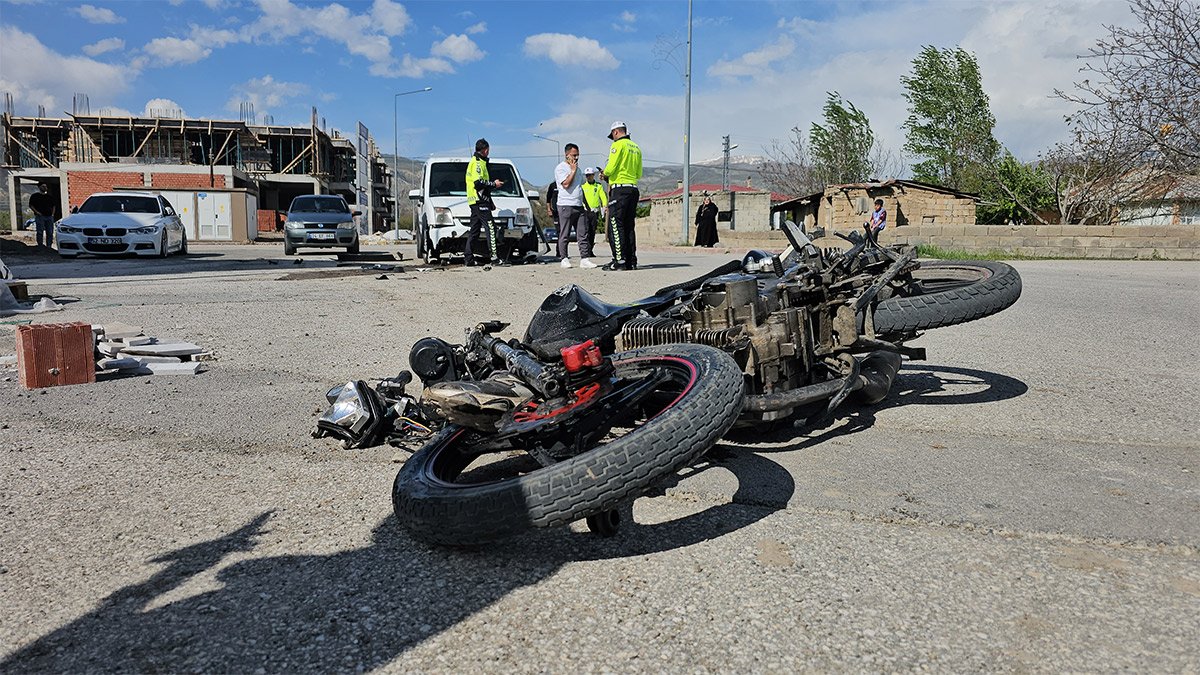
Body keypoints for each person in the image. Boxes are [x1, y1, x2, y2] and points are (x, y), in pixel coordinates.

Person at [598, 121, 643, 271]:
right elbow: (639, 173)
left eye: (613, 136)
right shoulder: (636, 147)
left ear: (616, 132)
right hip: (633, 189)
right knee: (629, 226)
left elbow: (610, 168)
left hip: (619, 189)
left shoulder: (618, 145)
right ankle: (631, 261)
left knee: (616, 225)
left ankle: (619, 260)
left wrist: (604, 174)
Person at [464, 139, 506, 266]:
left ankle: (468, 259)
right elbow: (478, 184)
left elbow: (483, 188)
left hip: (477, 201)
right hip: (479, 201)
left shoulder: (478, 162)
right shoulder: (477, 163)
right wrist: (495, 184)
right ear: (485, 149)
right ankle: (494, 258)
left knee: (474, 230)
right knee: (491, 227)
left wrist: (490, 201)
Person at [554, 143, 595, 269]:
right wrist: (572, 170)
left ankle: (585, 259)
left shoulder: (579, 169)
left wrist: (586, 205)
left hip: (578, 205)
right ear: (567, 155)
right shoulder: (560, 168)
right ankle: (564, 259)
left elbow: (579, 188)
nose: (576, 158)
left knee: (583, 234)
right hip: (565, 205)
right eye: (573, 155)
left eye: (578, 155)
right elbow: (566, 184)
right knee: (564, 234)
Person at [581, 167, 607, 259]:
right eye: (587, 175)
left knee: (592, 231)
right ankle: (586, 250)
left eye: (590, 175)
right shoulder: (583, 187)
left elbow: (603, 197)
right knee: (586, 231)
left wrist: (604, 205)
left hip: (594, 212)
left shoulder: (598, 186)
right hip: (585, 211)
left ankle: (590, 250)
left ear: (593, 175)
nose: (589, 177)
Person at [29, 183, 57, 249]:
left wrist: (52, 214)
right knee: (40, 231)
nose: (45, 188)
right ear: (39, 187)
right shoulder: (35, 196)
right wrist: (37, 212)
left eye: (45, 186)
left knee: (50, 232)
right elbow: (31, 205)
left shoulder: (49, 197)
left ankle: (49, 246)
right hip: (40, 216)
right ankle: (40, 246)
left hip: (49, 217)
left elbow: (53, 206)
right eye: (43, 186)